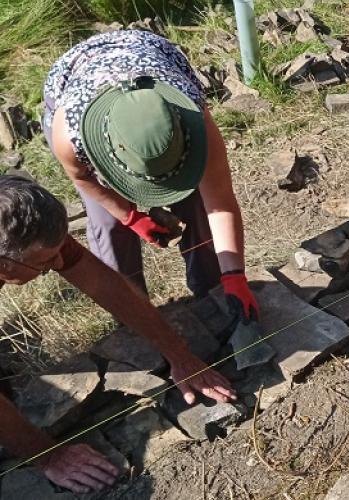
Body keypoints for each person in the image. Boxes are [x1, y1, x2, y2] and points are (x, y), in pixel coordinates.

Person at [0, 175, 236, 493]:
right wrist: (48, 456)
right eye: (44, 264)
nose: (57, 264)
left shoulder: (19, 229)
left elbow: (105, 286)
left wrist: (178, 353)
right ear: (5, 264)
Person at [43, 30, 258, 324]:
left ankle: (213, 290)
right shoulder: (70, 136)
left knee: (195, 204)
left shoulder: (189, 111)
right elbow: (82, 178)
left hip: (148, 54)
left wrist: (235, 276)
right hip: (76, 76)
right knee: (108, 226)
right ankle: (133, 316)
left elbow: (219, 203)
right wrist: (129, 216)